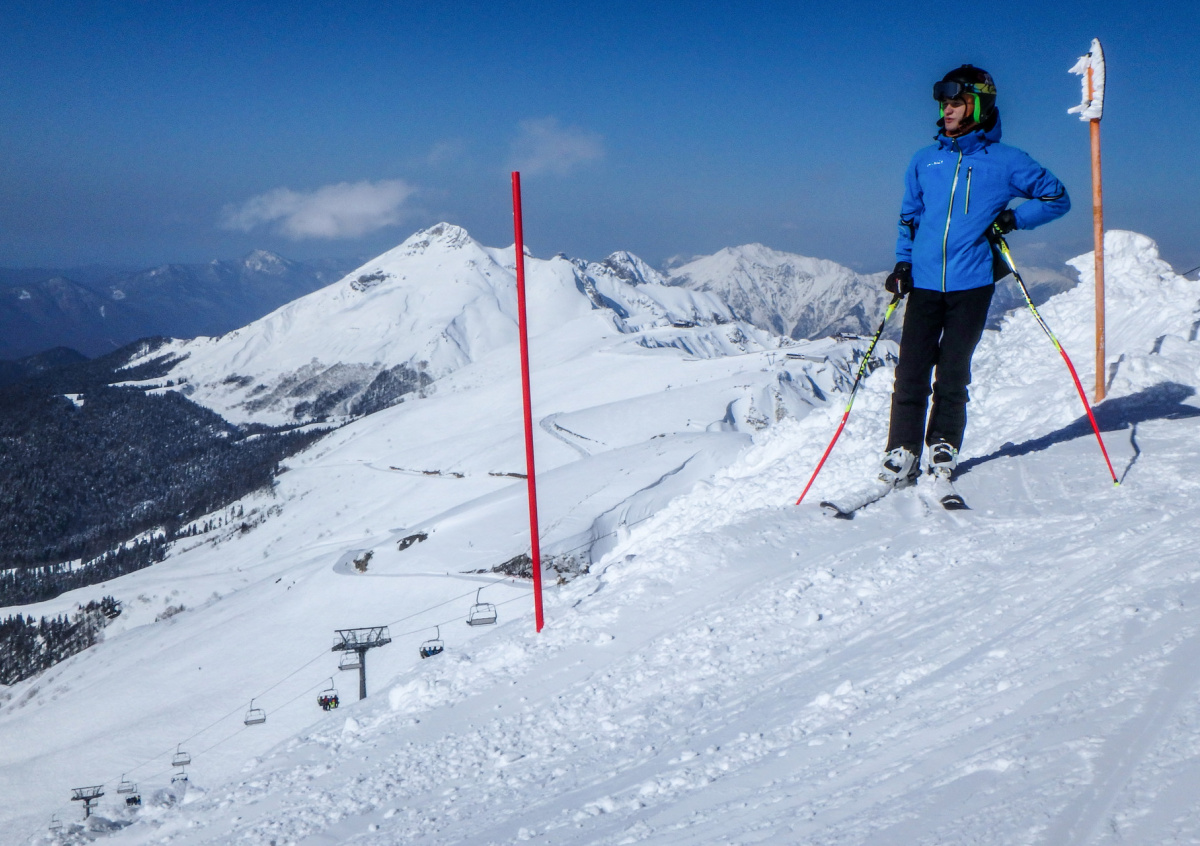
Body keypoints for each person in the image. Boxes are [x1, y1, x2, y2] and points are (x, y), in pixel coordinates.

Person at [879, 64, 1070, 488]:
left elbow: (1057, 198)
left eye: (956, 103)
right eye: (944, 103)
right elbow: (909, 217)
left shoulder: (1006, 161)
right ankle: (902, 450)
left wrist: (1014, 219)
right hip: (924, 282)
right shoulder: (924, 160)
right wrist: (903, 263)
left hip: (972, 285)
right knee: (910, 371)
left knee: (952, 371)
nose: (946, 110)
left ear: (978, 106)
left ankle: (943, 444)